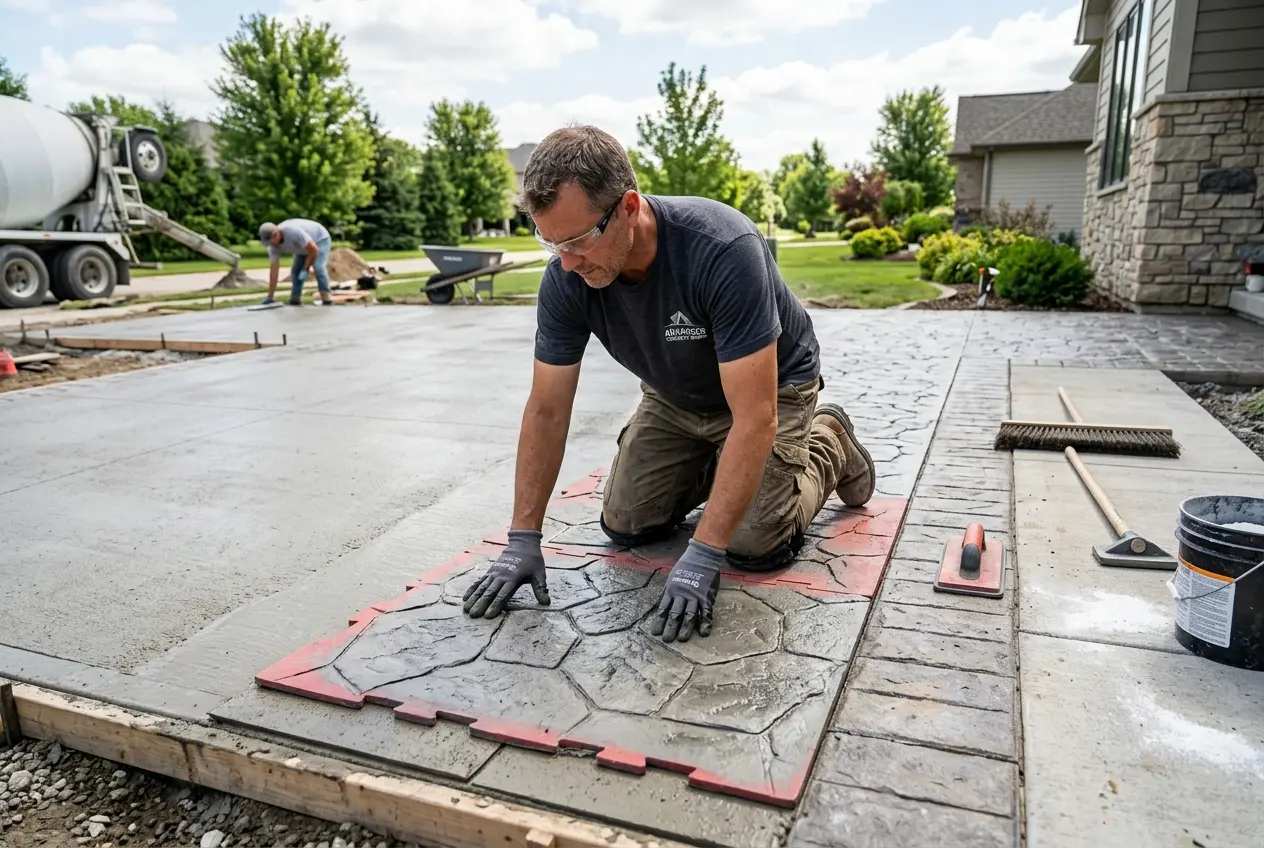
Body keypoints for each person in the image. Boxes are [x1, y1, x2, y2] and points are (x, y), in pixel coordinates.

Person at [460, 125, 875, 643]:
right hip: (674, 394)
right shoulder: (567, 278)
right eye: (551, 241)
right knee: (628, 523)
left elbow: (756, 417)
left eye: (580, 240)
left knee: (753, 543)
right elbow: (546, 410)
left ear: (629, 207)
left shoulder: (722, 248)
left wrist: (704, 552)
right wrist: (523, 537)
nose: (566, 262)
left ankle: (828, 440)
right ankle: (723, 466)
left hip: (771, 390)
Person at [258, 218, 333, 306]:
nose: (271, 244)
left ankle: (325, 296)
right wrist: (270, 296)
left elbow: (313, 250)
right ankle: (295, 297)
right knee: (296, 270)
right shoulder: (273, 247)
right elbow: (274, 271)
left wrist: (306, 268)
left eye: (271, 241)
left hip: (319, 239)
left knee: (318, 267)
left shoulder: (292, 232)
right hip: (302, 247)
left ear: (276, 234)